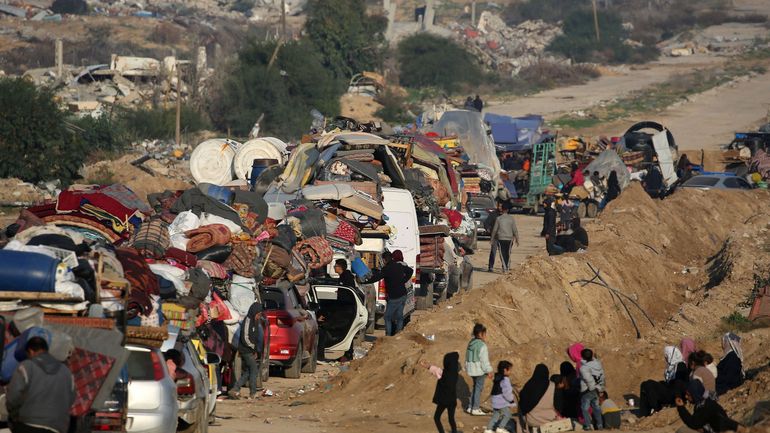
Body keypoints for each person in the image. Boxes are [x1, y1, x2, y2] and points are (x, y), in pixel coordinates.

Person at [6, 337, 75, 433]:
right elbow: (71, 399)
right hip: (57, 427)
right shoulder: (67, 372)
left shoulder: (27, 366)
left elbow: (13, 396)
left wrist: (14, 415)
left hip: (28, 424)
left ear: (31, 351)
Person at [367, 250, 413, 336]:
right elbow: (410, 270)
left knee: (387, 317)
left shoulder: (386, 269)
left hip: (394, 297)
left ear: (384, 260)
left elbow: (376, 278)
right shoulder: (399, 265)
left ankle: (388, 337)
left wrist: (365, 281)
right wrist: (404, 280)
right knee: (399, 316)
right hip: (403, 294)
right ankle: (399, 334)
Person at [638, 345, 689, 417]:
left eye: (667, 355)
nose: (665, 358)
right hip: (671, 391)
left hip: (674, 395)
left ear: (671, 355)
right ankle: (646, 411)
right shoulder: (673, 365)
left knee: (648, 385)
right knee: (649, 384)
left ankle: (655, 408)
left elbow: (679, 385)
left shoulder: (680, 366)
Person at [229, 302, 265, 399]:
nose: (259, 316)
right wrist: (252, 347)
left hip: (251, 350)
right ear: (254, 312)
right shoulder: (247, 321)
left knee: (249, 371)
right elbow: (245, 337)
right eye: (258, 314)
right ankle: (252, 393)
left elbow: (256, 337)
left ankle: (235, 388)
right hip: (245, 349)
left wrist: (256, 350)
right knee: (254, 370)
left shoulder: (255, 322)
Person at [465, 323, 493, 416]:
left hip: (471, 370)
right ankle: (475, 408)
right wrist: (489, 371)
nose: (485, 336)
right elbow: (484, 361)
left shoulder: (471, 343)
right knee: (478, 389)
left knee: (475, 388)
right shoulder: (482, 346)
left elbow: (467, 357)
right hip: (479, 371)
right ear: (481, 334)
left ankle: (470, 407)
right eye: (485, 334)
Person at [431, 352, 461, 433]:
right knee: (451, 419)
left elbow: (436, 370)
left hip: (443, 401)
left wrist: (427, 366)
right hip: (452, 400)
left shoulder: (443, 373)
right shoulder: (455, 374)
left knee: (436, 417)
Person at [486, 360, 516, 433]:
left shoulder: (497, 377)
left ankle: (488, 429)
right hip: (501, 402)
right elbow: (507, 393)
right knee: (507, 415)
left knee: (495, 416)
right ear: (505, 370)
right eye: (510, 370)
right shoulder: (505, 380)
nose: (510, 372)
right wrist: (511, 400)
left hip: (495, 401)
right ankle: (500, 428)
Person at [579, 348, 605, 430]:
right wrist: (600, 388)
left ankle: (587, 425)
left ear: (582, 357)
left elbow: (588, 379)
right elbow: (602, 377)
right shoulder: (598, 364)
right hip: (597, 389)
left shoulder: (584, 368)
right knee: (596, 407)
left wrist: (591, 388)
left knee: (584, 408)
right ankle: (600, 425)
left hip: (588, 390)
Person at [490, 206, 518, 272]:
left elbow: (494, 230)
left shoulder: (498, 219)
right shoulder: (511, 218)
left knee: (502, 253)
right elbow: (514, 229)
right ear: (507, 210)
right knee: (508, 253)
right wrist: (517, 238)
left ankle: (505, 268)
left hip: (501, 238)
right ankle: (507, 267)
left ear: (502, 210)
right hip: (509, 238)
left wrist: (492, 239)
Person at [485, 203, 502, 272]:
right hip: (495, 237)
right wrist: (489, 230)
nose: (500, 207)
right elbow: (486, 223)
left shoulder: (505, 215)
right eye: (499, 206)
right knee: (493, 252)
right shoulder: (493, 214)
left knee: (503, 253)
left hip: (503, 237)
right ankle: (490, 267)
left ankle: (505, 266)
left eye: (501, 206)